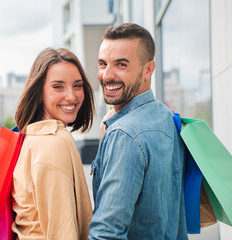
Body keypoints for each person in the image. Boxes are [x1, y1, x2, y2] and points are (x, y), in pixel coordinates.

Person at [89, 23, 188, 239]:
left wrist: (117, 134)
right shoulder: (165, 115)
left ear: (148, 70)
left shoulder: (124, 135)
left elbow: (107, 233)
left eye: (121, 65)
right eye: (103, 64)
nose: (107, 75)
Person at [12, 48, 94, 239]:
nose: (71, 96)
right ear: (39, 92)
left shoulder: (31, 136)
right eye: (58, 86)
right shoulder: (54, 142)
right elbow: (62, 231)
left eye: (77, 85)